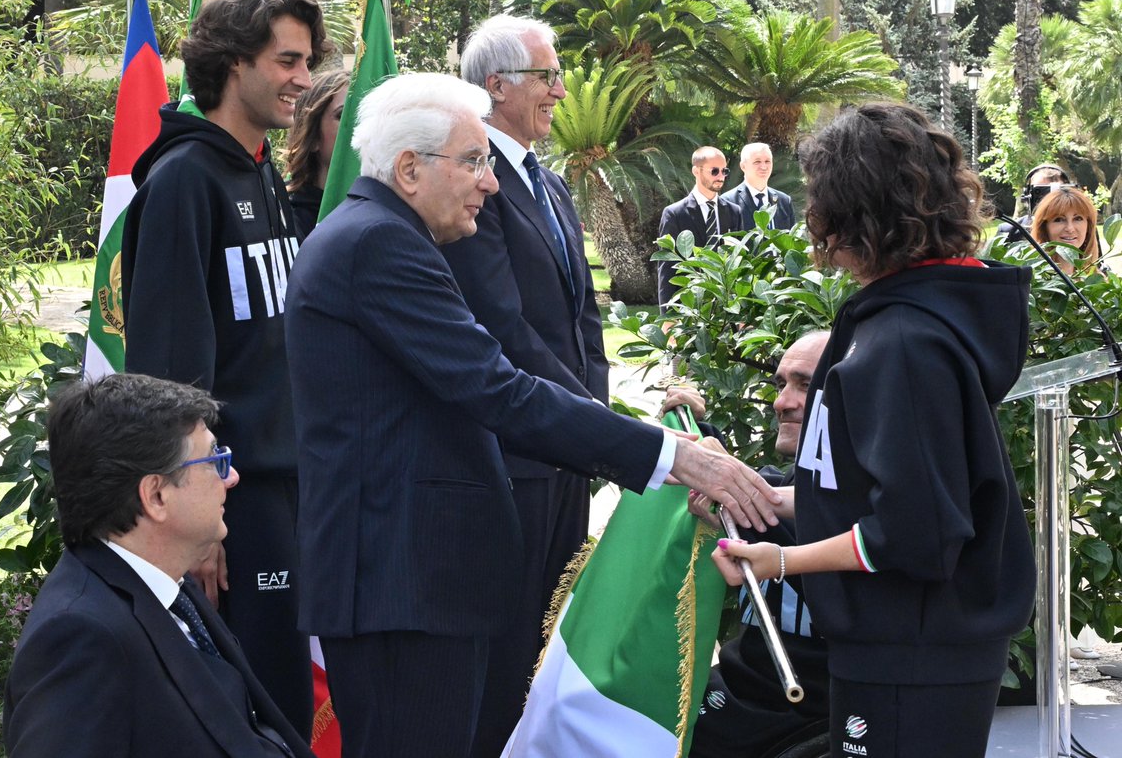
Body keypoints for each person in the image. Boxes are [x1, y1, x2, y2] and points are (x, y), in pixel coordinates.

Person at [284, 72, 780, 758]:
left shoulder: (384, 234)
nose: (490, 182)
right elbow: (499, 388)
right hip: (402, 588)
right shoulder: (378, 244)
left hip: (413, 583)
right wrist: (672, 457)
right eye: (473, 160)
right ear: (408, 168)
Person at [713, 102, 1036, 758]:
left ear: (847, 212)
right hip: (903, 647)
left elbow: (920, 532)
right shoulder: (907, 324)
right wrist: (764, 497)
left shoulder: (905, 342)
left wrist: (782, 560)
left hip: (913, 655)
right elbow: (878, 497)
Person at [120, 0, 328, 738]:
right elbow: (169, 375)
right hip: (233, 505)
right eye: (288, 60)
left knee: (287, 707)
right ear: (232, 63)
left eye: (308, 62)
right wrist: (200, 524)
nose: (304, 79)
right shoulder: (183, 181)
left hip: (284, 491)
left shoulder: (261, 169)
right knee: (257, 712)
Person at [443, 13, 615, 755]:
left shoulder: (548, 182)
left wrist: (596, 428)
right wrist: (584, 426)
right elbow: (506, 330)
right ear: (497, 85)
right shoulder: (473, 185)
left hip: (566, 455)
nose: (561, 89)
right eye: (548, 76)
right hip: (516, 459)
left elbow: (582, 320)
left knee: (550, 652)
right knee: (511, 656)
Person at [3, 373, 313, 758]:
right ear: (156, 496)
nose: (231, 477)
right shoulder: (79, 637)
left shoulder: (168, 583)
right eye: (215, 460)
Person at [668, 331, 833, 758]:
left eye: (807, 385)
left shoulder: (879, 514)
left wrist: (720, 474)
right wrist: (694, 435)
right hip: (737, 702)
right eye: (781, 385)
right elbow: (760, 492)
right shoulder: (782, 488)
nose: (783, 402)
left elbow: (793, 513)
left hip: (818, 723)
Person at [657, 146, 743, 308]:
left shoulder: (733, 212)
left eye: (724, 171)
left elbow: (739, 261)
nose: (720, 176)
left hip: (727, 308)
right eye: (714, 171)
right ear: (696, 171)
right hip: (690, 306)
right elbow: (666, 268)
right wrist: (668, 316)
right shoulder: (675, 214)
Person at [283, 68, 349, 240]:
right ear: (312, 138)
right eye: (343, 115)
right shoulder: (283, 214)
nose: (358, 125)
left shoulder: (386, 209)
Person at [1029, 185, 1104, 274]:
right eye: (1059, 219)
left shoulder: (1098, 281)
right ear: (1044, 227)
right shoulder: (1031, 280)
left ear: (1088, 226)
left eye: (1078, 218)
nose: (1070, 228)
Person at [721, 142, 795, 230]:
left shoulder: (784, 201)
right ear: (743, 166)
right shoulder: (727, 202)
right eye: (757, 162)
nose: (763, 167)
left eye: (767, 161)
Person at [998, 163, 1070, 242]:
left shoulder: (1078, 230)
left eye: (1054, 192)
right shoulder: (1008, 231)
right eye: (1039, 191)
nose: (1048, 200)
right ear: (1027, 195)